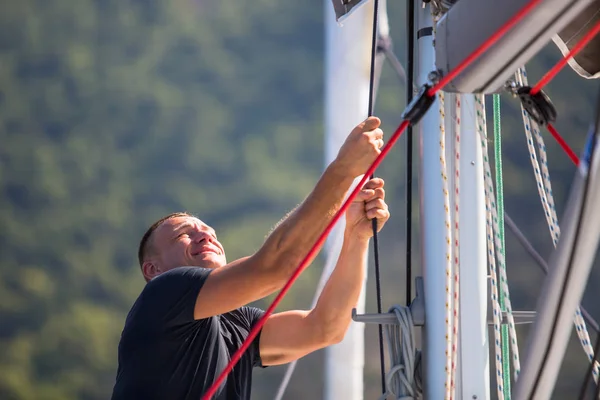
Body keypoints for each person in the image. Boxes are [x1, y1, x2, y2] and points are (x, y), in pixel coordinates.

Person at [110, 116, 391, 400]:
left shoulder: (235, 322)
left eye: (210, 232)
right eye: (184, 234)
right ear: (152, 269)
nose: (205, 236)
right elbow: (277, 266)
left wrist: (356, 237)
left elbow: (324, 328)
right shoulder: (164, 294)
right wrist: (343, 170)